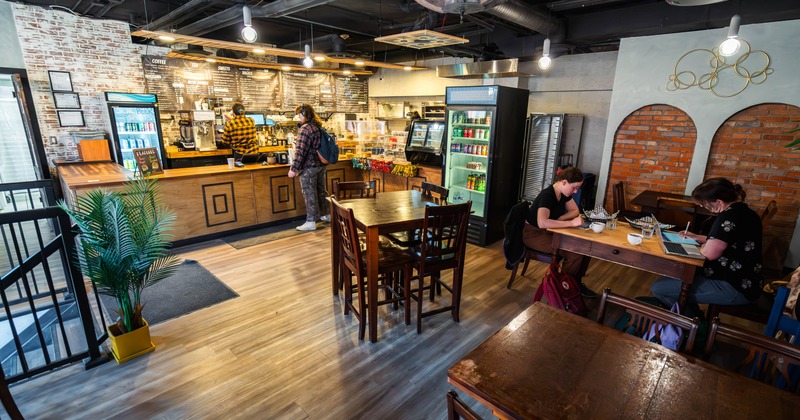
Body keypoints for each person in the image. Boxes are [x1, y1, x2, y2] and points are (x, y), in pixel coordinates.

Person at [651, 178, 763, 309]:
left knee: (659, 288)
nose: (702, 206)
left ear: (719, 202)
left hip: (734, 286)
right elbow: (727, 240)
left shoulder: (727, 217)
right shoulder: (745, 212)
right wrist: (696, 237)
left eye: (704, 203)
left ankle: (692, 323)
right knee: (669, 277)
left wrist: (705, 246)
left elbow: (709, 254)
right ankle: (689, 315)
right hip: (746, 281)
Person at [523, 166, 595, 297]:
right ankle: (563, 287)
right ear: (564, 182)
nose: (575, 191)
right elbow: (542, 222)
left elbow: (575, 211)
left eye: (577, 188)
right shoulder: (547, 195)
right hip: (533, 234)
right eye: (574, 188)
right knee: (575, 253)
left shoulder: (563, 193)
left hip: (548, 231)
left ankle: (575, 283)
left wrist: (561, 218)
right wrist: (570, 223)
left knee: (585, 248)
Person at [288, 103, 330, 231]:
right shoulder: (317, 127)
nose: (298, 117)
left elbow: (300, 152)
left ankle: (311, 222)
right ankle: (327, 214)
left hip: (309, 167)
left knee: (309, 193)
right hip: (321, 166)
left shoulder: (305, 129)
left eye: (298, 115)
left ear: (303, 114)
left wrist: (293, 169)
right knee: (321, 191)